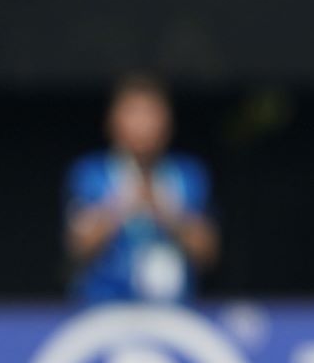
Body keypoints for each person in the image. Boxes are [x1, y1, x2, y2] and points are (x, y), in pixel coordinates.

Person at [65, 76, 218, 303]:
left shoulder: (188, 174)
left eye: (151, 114)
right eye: (133, 113)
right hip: (103, 311)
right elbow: (78, 246)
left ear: (168, 122)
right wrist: (123, 203)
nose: (142, 124)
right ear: (112, 120)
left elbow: (208, 252)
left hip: (174, 313)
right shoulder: (91, 173)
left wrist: (167, 211)